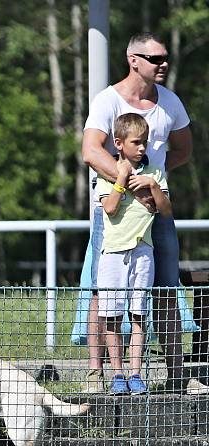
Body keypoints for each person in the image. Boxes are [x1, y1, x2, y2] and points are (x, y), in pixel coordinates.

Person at [80, 31, 207, 395]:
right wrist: (128, 181)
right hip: (114, 210)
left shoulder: (171, 103)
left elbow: (182, 150)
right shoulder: (107, 100)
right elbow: (91, 151)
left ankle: (177, 373)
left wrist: (155, 184)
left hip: (156, 211)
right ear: (133, 60)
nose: (163, 63)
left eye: (165, 57)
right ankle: (96, 373)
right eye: (155, 58)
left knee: (166, 288)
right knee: (101, 291)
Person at [97, 114, 171, 395]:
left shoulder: (154, 173)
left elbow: (164, 209)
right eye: (136, 143)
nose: (142, 148)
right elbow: (111, 208)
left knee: (138, 313)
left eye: (145, 142)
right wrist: (122, 179)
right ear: (119, 143)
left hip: (143, 251)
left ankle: (136, 372)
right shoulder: (108, 173)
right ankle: (117, 373)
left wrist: (151, 186)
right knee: (112, 315)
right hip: (114, 252)